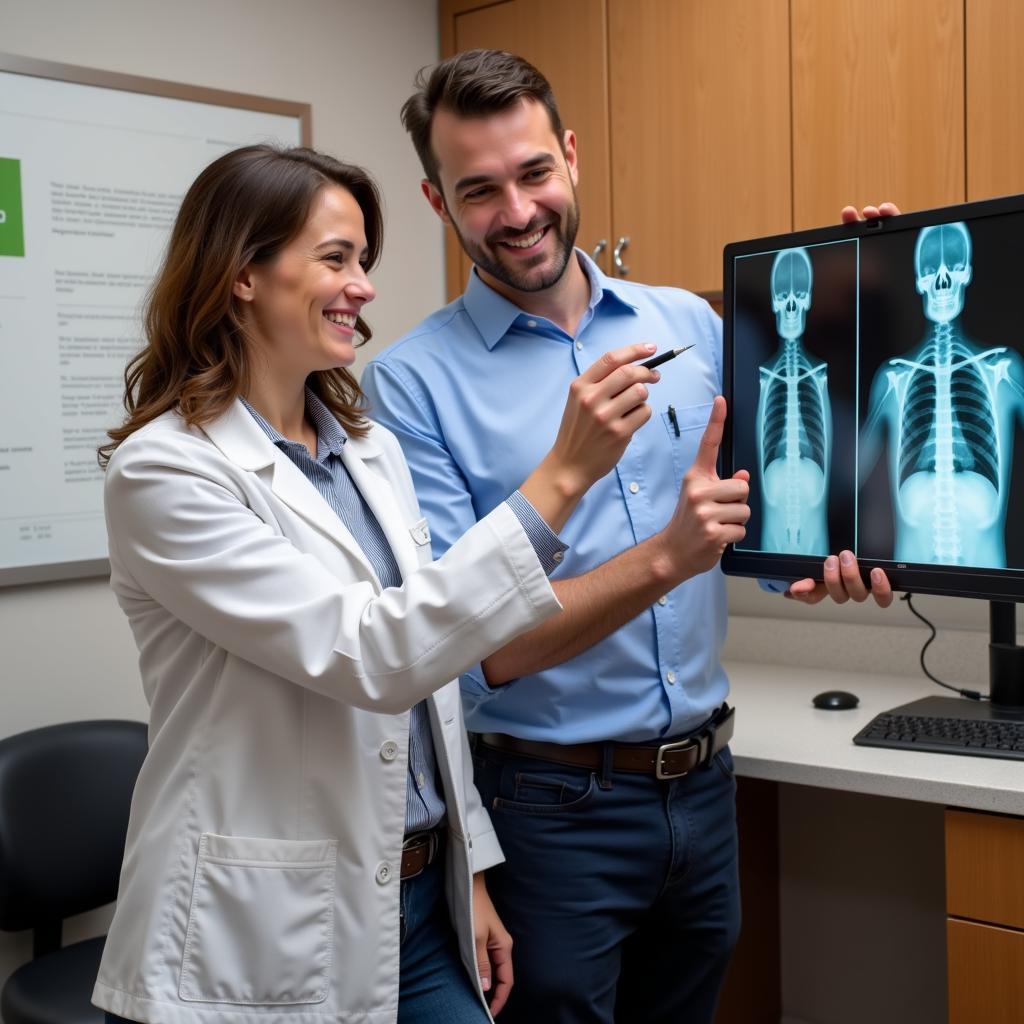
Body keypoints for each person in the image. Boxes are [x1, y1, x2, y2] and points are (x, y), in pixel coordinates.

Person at [361, 49, 895, 1024]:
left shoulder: (685, 323)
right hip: (546, 808)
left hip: (704, 785)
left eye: (532, 173)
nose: (517, 212)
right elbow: (482, 650)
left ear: (570, 156)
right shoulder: (410, 386)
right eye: (478, 190)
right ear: (439, 204)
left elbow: (754, 530)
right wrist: (665, 559)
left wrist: (872, 284)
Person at [91, 143, 667, 1024]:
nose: (362, 285)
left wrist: (466, 868)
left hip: (418, 903)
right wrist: (560, 477)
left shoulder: (368, 450)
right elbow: (376, 653)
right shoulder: (166, 473)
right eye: (335, 259)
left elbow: (431, 688)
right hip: (256, 931)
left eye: (363, 261)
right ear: (243, 274)